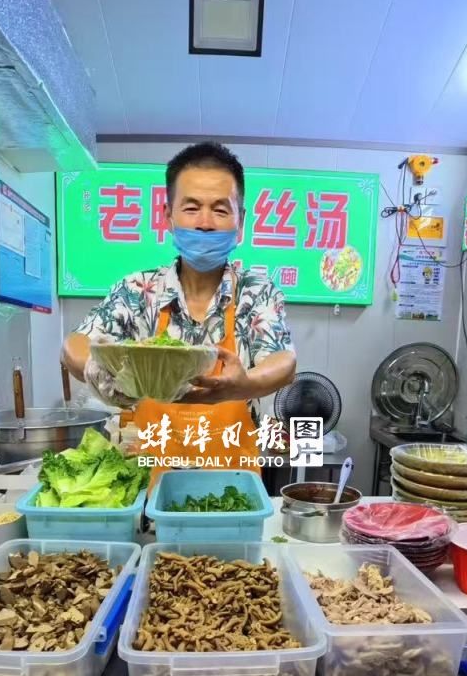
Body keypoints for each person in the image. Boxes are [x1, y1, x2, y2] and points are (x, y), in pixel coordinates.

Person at [62, 142, 296, 475]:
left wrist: (245, 384)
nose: (205, 223)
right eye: (191, 208)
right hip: (152, 485)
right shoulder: (137, 290)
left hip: (234, 488)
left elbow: (283, 361)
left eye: (220, 210)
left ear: (240, 221)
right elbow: (74, 345)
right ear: (168, 216)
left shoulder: (256, 291)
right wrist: (99, 370)